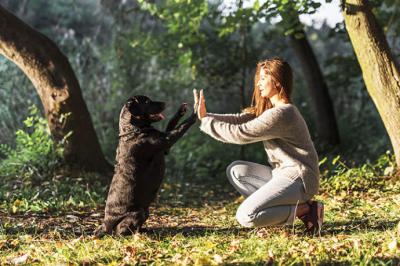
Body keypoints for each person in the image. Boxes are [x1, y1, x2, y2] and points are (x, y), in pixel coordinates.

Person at [193, 58, 324, 235]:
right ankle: (277, 213)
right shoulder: (272, 110)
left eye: (263, 78)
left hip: (300, 178)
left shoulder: (283, 113)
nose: (258, 83)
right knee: (237, 171)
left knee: (246, 216)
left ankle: (306, 210)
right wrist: (206, 116)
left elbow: (240, 133)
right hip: (283, 174)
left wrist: (207, 122)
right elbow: (240, 119)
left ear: (276, 81)